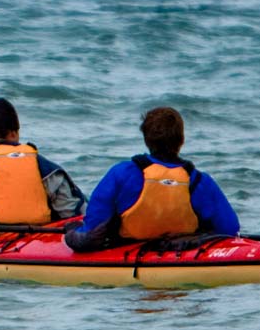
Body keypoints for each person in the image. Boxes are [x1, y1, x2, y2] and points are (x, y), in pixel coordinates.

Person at [65, 106, 239, 252]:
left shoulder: (122, 173)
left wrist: (72, 233)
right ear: (181, 140)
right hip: (180, 250)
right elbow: (229, 228)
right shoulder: (199, 180)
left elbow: (94, 227)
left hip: (127, 249)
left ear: (146, 140)